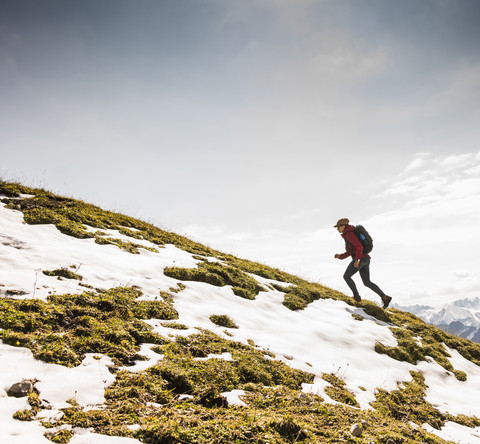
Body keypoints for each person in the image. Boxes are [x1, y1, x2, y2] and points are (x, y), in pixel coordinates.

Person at [333, 218, 392, 308]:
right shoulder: (348, 234)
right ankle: (385, 297)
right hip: (366, 259)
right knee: (367, 282)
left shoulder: (349, 234)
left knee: (346, 276)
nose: (337, 229)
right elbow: (350, 251)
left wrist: (357, 260)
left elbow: (359, 246)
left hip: (361, 259)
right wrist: (340, 256)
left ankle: (356, 297)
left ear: (343, 226)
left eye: (338, 227)